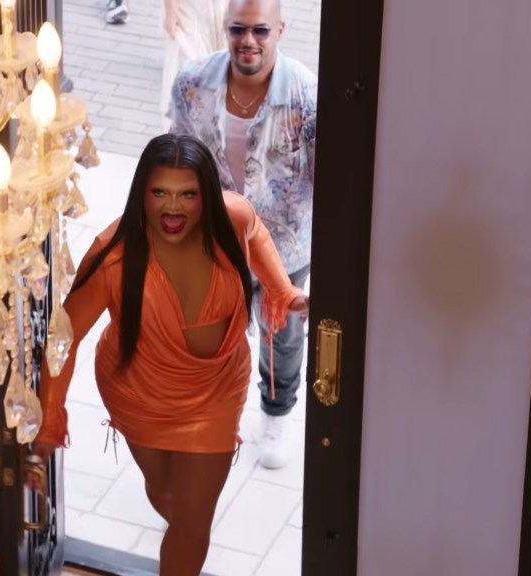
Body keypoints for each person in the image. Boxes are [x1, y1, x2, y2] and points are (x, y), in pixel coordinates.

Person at [31, 134, 307, 575]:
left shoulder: (233, 218)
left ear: (207, 196)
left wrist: (284, 291)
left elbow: (257, 237)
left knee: (194, 519)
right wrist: (49, 419)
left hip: (217, 389)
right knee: (168, 497)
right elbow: (63, 337)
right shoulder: (113, 255)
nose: (172, 207)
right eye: (159, 192)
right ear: (141, 192)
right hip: (140, 391)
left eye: (187, 195)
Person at [167, 0, 317, 469]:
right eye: (238, 29)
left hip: (286, 247)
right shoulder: (192, 82)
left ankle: (276, 412)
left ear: (280, 30)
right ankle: (214, 411)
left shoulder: (308, 97)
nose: (248, 40)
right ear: (225, 27)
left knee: (282, 336)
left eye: (260, 31)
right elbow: (178, 162)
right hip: (217, 241)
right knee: (212, 329)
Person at [160, 0, 226, 131]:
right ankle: (181, 133)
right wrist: (170, 9)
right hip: (189, 9)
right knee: (190, 71)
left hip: (224, 10)